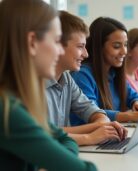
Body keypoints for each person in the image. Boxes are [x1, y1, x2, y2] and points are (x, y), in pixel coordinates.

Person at [0, 0, 96, 170]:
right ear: (32, 42)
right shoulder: (8, 110)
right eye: (57, 41)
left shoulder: (20, 99)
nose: (60, 51)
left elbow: (64, 139)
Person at [46, 11, 127, 146]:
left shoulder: (66, 78)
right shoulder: (31, 84)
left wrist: (102, 126)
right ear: (58, 45)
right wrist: (91, 136)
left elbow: (95, 112)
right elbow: (44, 134)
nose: (86, 54)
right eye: (80, 47)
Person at [71, 17, 138, 123]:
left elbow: (135, 96)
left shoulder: (113, 73)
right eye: (116, 46)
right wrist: (129, 116)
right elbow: (92, 113)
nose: (124, 51)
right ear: (99, 47)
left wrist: (137, 102)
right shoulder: (82, 75)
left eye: (125, 45)